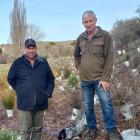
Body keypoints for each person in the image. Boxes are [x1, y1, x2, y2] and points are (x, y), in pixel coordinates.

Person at [74, 10, 122, 140]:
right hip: (85, 80)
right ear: (82, 23)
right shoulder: (80, 38)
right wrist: (79, 68)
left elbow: (110, 58)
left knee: (106, 104)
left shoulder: (105, 36)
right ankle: (92, 129)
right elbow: (76, 55)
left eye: (90, 21)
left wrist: (105, 78)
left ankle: (111, 130)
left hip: (100, 80)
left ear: (96, 20)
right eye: (85, 22)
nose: (88, 24)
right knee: (88, 106)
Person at [7, 39, 55, 140]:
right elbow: (10, 78)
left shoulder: (43, 62)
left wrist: (48, 92)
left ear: (36, 49)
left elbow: (51, 79)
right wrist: (20, 90)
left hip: (41, 100)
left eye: (33, 48)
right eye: (29, 48)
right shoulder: (18, 63)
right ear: (25, 49)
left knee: (38, 128)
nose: (31, 51)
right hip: (25, 102)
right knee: (25, 129)